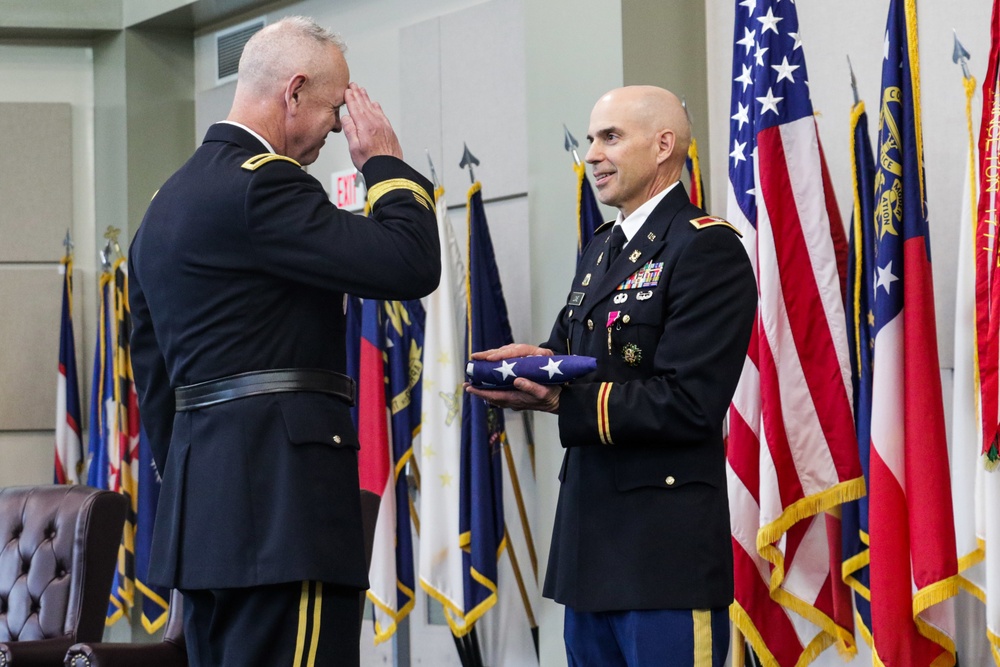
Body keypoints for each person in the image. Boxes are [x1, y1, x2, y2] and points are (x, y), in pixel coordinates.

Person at [128, 16, 440, 667]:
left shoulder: (166, 203)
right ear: (294, 92)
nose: (337, 127)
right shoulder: (264, 184)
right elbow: (409, 263)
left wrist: (206, 473)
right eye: (335, 107)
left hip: (206, 519)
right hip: (282, 513)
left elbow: (154, 377)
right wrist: (384, 160)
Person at [466, 86, 756, 666]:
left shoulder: (705, 248)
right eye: (593, 137)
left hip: (662, 557)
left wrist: (559, 402)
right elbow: (579, 353)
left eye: (611, 137)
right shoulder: (603, 247)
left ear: (663, 146)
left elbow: (689, 401)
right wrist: (531, 363)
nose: (592, 153)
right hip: (590, 550)